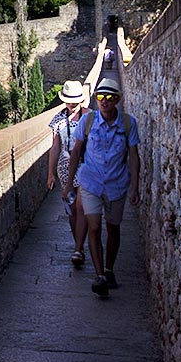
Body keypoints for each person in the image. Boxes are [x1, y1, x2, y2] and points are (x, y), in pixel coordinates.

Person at [63, 77, 140, 297]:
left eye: (109, 97)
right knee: (94, 227)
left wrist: (135, 186)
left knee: (113, 228)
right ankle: (100, 276)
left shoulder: (128, 123)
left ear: (117, 100)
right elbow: (76, 152)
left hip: (117, 184)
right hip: (91, 183)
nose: (104, 101)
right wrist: (69, 183)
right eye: (100, 97)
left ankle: (109, 268)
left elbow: (133, 156)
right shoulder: (87, 122)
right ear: (95, 99)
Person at [46, 80, 89, 266]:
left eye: (75, 101)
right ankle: (77, 244)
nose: (72, 105)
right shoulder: (58, 120)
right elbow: (55, 147)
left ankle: (79, 249)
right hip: (65, 167)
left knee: (82, 207)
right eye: (69, 101)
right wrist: (50, 173)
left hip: (86, 166)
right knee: (72, 210)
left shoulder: (90, 117)